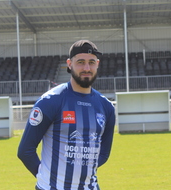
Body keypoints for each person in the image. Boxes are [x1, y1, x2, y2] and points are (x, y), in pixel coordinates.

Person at [18, 40, 116, 190]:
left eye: (91, 62)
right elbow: (25, 150)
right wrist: (47, 178)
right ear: (69, 64)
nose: (86, 68)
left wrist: (82, 166)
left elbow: (103, 154)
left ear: (98, 64)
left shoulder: (106, 107)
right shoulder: (50, 101)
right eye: (80, 62)